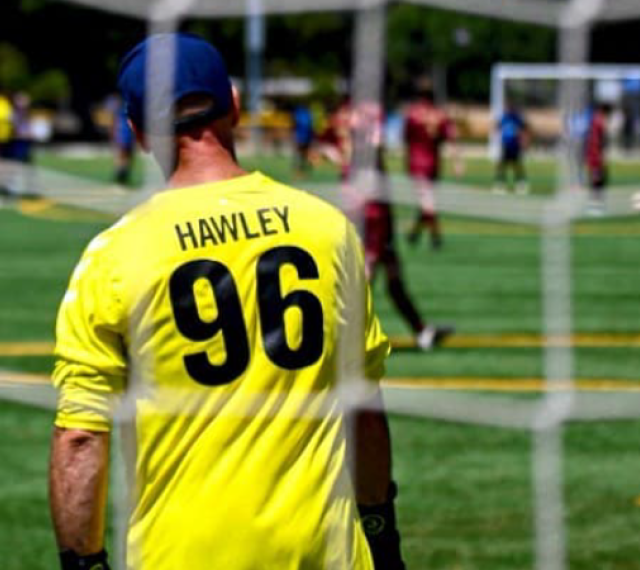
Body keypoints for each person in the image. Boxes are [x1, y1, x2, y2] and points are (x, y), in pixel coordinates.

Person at [50, 33, 406, 570]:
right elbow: (364, 410)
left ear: (139, 132)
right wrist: (380, 531)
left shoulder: (115, 255)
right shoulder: (328, 229)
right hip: (325, 554)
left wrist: (85, 563)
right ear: (235, 105)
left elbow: (80, 437)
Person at [349, 100, 454, 351]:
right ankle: (339, 341)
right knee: (365, 277)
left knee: (394, 278)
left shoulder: (358, 115)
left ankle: (421, 332)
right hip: (370, 212)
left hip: (380, 211)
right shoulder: (362, 115)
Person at [403, 78, 461, 249]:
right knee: (428, 200)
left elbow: (405, 139)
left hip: (416, 163)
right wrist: (457, 161)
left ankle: (430, 235)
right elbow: (451, 138)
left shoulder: (412, 114)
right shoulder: (440, 115)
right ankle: (424, 234)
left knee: (427, 201)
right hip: (433, 163)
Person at [494, 103, 530, 195]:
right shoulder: (504, 118)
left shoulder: (517, 118)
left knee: (517, 165)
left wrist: (524, 141)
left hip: (515, 145)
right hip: (506, 145)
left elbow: (524, 129)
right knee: (502, 165)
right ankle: (500, 184)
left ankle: (521, 184)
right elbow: (497, 126)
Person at [585, 102, 611, 215]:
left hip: (594, 155)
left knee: (600, 180)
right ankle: (594, 207)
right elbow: (596, 142)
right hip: (595, 157)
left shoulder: (596, 122)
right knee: (598, 181)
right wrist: (600, 157)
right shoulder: (598, 122)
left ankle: (597, 205)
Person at [106, 93, 136, 185]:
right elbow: (114, 120)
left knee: (125, 155)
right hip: (124, 132)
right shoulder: (121, 106)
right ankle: (121, 176)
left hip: (127, 132)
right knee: (123, 154)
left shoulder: (127, 106)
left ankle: (122, 176)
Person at [292, 102, 315, 177]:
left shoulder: (302, 113)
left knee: (302, 155)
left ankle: (300, 171)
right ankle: (299, 171)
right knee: (301, 155)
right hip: (303, 137)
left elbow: (296, 125)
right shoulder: (305, 113)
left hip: (303, 137)